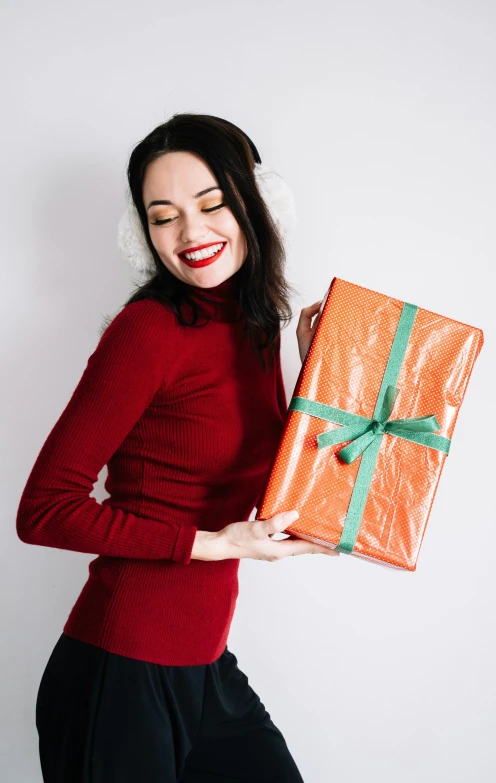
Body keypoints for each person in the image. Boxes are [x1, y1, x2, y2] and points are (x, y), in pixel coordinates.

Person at [16, 112, 339, 783]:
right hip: (120, 672)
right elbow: (43, 509)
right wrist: (214, 543)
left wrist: (318, 375)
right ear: (143, 233)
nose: (191, 233)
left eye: (212, 203)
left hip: (204, 665)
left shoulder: (255, 324)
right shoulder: (149, 331)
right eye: (163, 216)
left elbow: (264, 472)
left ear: (257, 204)